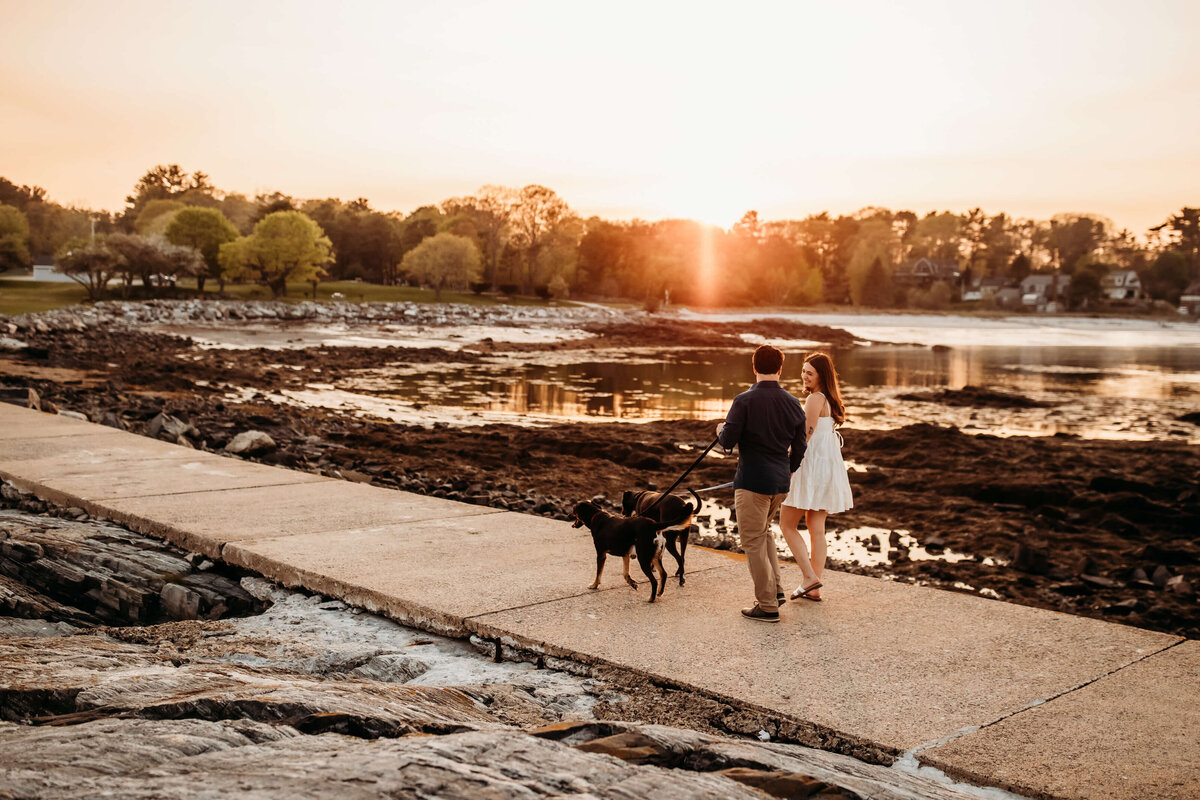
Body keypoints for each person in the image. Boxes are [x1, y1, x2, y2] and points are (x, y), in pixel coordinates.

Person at [716, 344, 807, 623]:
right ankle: (776, 592)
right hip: (779, 482)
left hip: (752, 481)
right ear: (780, 369)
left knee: (753, 540)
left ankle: (767, 606)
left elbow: (728, 442)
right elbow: (800, 447)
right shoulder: (793, 403)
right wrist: (788, 470)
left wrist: (720, 429)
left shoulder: (744, 400)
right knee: (764, 533)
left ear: (754, 367)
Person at [779, 352, 853, 602]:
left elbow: (804, 438)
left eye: (810, 372)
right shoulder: (831, 400)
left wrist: (787, 465)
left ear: (822, 376)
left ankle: (810, 577)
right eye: (803, 371)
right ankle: (815, 587)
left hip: (809, 467)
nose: (804, 376)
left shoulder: (815, 399)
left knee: (787, 524)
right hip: (827, 467)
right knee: (816, 528)